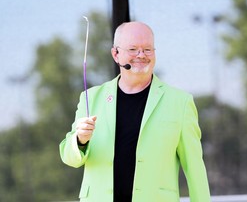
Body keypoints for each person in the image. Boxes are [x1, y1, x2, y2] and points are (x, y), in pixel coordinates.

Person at [59, 21, 210, 202]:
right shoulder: (90, 98)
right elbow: (69, 157)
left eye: (147, 49)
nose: (141, 55)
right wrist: (80, 140)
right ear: (116, 54)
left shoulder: (180, 102)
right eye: (133, 49)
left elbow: (194, 168)